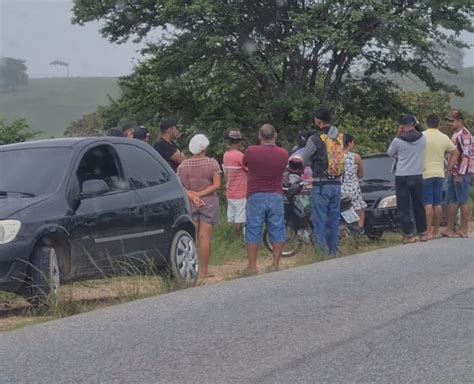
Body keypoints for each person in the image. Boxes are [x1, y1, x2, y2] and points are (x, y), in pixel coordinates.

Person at [243, 124, 288, 272]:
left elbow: (245, 164)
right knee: (277, 227)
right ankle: (275, 264)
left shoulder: (251, 151)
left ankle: (252, 266)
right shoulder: (283, 153)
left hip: (255, 194)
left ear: (259, 136)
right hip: (276, 194)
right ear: (275, 136)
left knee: (253, 228)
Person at [177, 134, 222, 278]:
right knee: (205, 237)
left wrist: (193, 196)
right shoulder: (212, 163)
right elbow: (217, 185)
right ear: (205, 147)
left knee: (193, 237)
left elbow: (180, 187)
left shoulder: (182, 166)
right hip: (208, 203)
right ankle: (204, 270)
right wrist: (201, 194)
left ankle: (192, 270)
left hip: (190, 203)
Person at [303, 107, 345, 256]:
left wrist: (311, 166)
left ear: (318, 121)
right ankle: (333, 251)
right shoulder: (340, 137)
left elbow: (305, 159)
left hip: (321, 184)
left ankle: (321, 253)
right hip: (337, 183)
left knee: (319, 219)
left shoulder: (315, 138)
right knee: (334, 220)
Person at [387, 114, 427, 243]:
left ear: (402, 126)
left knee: (404, 207)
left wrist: (398, 134)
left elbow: (390, 153)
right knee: (419, 205)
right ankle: (423, 233)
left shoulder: (398, 141)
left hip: (402, 176)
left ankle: (409, 235)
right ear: (414, 124)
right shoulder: (423, 138)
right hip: (417, 174)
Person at [422, 114, 458, 240]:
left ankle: (428, 231)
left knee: (427, 204)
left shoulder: (422, 136)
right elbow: (455, 152)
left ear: (426, 123)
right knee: (437, 203)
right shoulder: (444, 137)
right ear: (438, 124)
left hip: (425, 173)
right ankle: (437, 230)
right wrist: (448, 168)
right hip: (439, 173)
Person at [442, 110, 472, 238]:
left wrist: (460, 173)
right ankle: (450, 228)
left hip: (462, 173)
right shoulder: (455, 134)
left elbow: (466, 155)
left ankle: (464, 229)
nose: (450, 123)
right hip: (453, 172)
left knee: (463, 200)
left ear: (460, 121)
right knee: (451, 200)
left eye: (452, 121)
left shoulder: (464, 135)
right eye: (449, 121)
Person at [222, 130, 248, 237]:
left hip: (230, 191)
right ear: (238, 142)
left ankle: (231, 237)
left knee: (232, 217)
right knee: (240, 218)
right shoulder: (239, 155)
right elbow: (248, 168)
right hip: (240, 192)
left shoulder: (226, 155)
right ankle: (238, 238)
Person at [341, 134, 367, 232]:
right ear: (349, 143)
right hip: (353, 188)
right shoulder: (356, 157)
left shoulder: (336, 156)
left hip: (340, 188)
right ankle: (359, 229)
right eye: (352, 142)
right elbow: (360, 174)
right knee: (359, 210)